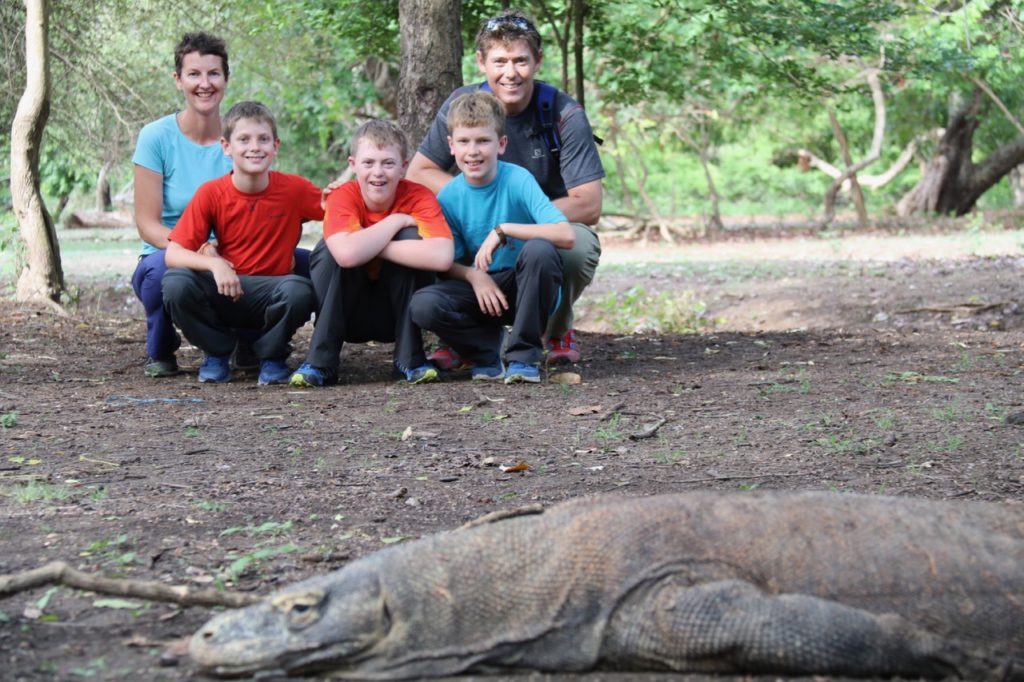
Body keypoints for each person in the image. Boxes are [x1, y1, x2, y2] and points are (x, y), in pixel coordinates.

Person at [407, 8, 603, 366]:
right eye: (499, 61)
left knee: (573, 248)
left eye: (520, 61)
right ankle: (465, 334)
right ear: (481, 62)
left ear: (538, 61)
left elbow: (588, 204)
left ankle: (556, 328)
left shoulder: (562, 113)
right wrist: (473, 200)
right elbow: (418, 172)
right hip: (477, 225)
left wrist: (515, 222)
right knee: (436, 235)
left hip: (542, 220)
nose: (510, 73)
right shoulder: (462, 106)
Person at [131, 32, 310, 379]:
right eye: (194, 74)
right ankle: (165, 348)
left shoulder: (242, 138)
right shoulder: (156, 137)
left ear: (226, 79)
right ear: (178, 80)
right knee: (161, 274)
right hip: (174, 248)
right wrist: (203, 252)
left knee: (309, 264)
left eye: (213, 73)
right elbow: (147, 225)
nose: (204, 83)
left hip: (239, 248)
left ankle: (263, 343)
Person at [408, 91, 574, 384]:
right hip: (479, 291)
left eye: (483, 141)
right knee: (423, 304)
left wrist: (504, 230)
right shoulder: (448, 197)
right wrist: (474, 277)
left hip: (525, 287)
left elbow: (565, 234)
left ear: (501, 144)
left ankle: (524, 358)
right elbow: (444, 261)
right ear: (451, 146)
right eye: (464, 142)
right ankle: (486, 352)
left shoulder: (518, 179)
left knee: (539, 250)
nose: (473, 151)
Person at [162, 101, 322, 385]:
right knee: (176, 283)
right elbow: (173, 254)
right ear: (226, 146)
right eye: (244, 139)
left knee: (299, 290)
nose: (255, 147)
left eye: (263, 139)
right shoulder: (211, 193)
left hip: (272, 291)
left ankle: (271, 358)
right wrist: (214, 263)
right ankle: (217, 352)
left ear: (276, 146)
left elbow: (337, 209)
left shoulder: (294, 189)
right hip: (226, 287)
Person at [288, 120, 454, 388]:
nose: (378, 172)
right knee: (330, 250)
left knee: (412, 240)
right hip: (346, 310)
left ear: (403, 166)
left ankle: (409, 360)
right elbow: (346, 256)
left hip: (396, 311)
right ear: (353, 164)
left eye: (388, 163)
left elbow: (442, 256)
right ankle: (321, 362)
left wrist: (374, 244)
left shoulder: (419, 196)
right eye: (368, 163)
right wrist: (397, 220)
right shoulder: (343, 195)